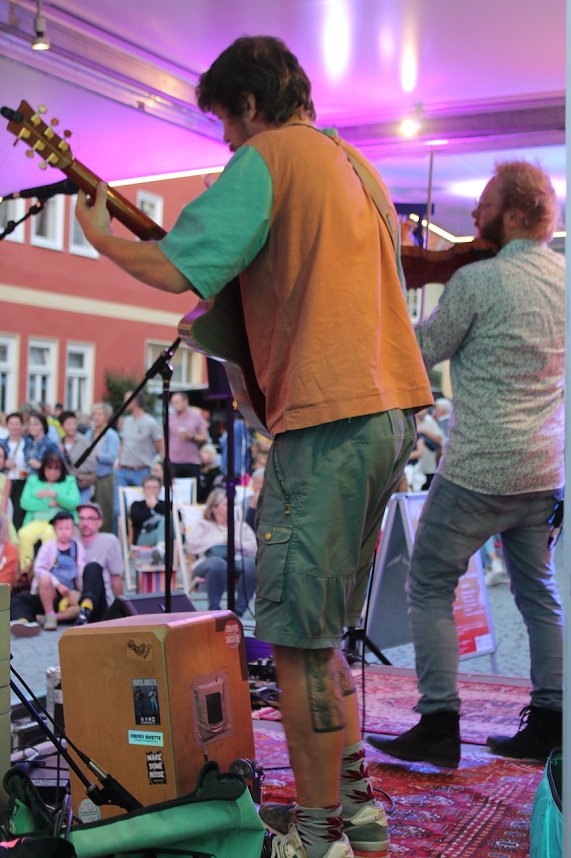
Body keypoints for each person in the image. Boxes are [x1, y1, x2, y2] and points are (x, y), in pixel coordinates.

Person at [76, 35, 432, 858]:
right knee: (324, 630)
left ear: (247, 105)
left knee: (299, 644)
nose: (228, 145)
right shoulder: (357, 167)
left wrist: (99, 234)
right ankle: (355, 811)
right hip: (389, 411)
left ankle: (315, 838)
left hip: (327, 417)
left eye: (225, 127)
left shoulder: (268, 156)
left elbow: (175, 269)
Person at [368, 160, 564, 769]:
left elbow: (418, 351)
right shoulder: (563, 277)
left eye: (483, 206)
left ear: (511, 215)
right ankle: (553, 725)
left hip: (480, 466)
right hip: (544, 467)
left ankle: (439, 724)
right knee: (539, 594)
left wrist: (394, 285)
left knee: (428, 583)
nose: (473, 218)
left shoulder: (479, 283)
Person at [185, 487, 256, 617]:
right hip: (207, 562)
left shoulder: (240, 526)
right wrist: (218, 540)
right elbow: (190, 545)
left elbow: (254, 549)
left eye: (232, 505)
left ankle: (238, 611)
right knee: (218, 563)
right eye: (226, 505)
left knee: (251, 565)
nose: (231, 508)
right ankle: (215, 610)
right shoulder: (204, 525)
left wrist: (234, 541)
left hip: (236, 561)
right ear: (214, 508)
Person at [18, 451, 80, 571]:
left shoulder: (69, 481)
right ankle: (26, 571)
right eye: (49, 468)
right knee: (23, 534)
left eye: (56, 469)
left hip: (58, 523)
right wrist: (47, 503)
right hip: (36, 521)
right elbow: (25, 502)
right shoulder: (33, 480)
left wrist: (55, 495)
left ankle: (49, 571)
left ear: (61, 470)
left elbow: (74, 503)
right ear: (44, 468)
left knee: (50, 535)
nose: (52, 472)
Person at [113, 392, 163, 531]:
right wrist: (118, 460)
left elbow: (160, 446)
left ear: (135, 401)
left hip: (142, 470)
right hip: (123, 470)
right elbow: (123, 443)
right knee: (118, 510)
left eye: (127, 400)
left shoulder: (150, 422)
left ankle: (139, 538)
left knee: (145, 506)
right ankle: (118, 544)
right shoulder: (127, 421)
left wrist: (158, 465)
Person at [75, 501, 124, 623]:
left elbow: (116, 577)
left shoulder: (109, 541)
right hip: (73, 600)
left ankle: (85, 611)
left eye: (90, 519)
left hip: (99, 603)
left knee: (92, 567)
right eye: (82, 518)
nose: (85, 523)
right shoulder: (71, 541)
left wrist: (122, 610)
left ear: (99, 522)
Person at [87, 401, 120, 533]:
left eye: (100, 414)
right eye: (94, 414)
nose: (96, 417)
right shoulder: (89, 434)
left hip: (105, 476)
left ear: (106, 417)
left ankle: (105, 534)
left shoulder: (111, 435)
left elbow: (112, 457)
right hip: (90, 476)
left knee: (105, 509)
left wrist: (97, 455)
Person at [59, 410, 98, 503]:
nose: (72, 427)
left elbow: (92, 464)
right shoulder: (59, 443)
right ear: (61, 426)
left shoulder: (84, 442)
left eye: (74, 424)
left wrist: (74, 471)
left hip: (82, 484)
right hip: (66, 485)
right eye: (68, 424)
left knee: (82, 510)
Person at [168, 392, 208, 479]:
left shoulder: (196, 417)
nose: (174, 405)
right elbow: (165, 438)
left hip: (191, 462)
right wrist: (163, 456)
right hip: (173, 461)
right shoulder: (170, 418)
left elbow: (204, 438)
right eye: (172, 403)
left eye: (176, 402)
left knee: (192, 490)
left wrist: (191, 437)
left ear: (185, 402)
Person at [0, 412, 29, 529]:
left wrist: (21, 472)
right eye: (12, 424)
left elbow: (29, 469)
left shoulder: (27, 444)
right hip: (5, 480)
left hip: (21, 481)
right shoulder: (2, 443)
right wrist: (6, 465)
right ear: (7, 425)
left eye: (17, 424)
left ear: (22, 426)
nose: (14, 427)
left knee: (18, 512)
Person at [130, 474, 166, 546]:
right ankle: (161, 548)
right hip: (144, 536)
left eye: (155, 488)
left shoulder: (166, 504)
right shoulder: (137, 505)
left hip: (164, 536)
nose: (152, 490)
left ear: (159, 490)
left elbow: (177, 517)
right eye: (148, 488)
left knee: (167, 518)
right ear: (144, 490)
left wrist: (156, 506)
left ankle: (160, 548)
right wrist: (151, 506)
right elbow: (135, 521)